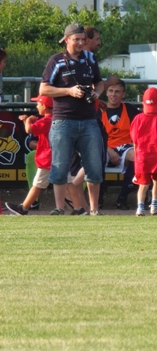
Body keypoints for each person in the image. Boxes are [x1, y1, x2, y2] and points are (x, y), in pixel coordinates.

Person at [40, 23, 105, 216]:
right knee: (60, 165)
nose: (80, 43)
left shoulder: (90, 58)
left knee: (94, 165)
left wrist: (96, 93)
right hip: (63, 120)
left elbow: (99, 83)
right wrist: (69, 91)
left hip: (88, 119)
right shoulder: (56, 60)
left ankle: (94, 209)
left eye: (83, 39)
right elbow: (44, 89)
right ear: (66, 40)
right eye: (76, 39)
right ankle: (59, 207)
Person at [5, 95, 53, 215]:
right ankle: (80, 207)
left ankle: (23, 208)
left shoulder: (47, 120)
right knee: (67, 183)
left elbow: (29, 130)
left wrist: (27, 121)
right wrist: (28, 120)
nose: (37, 106)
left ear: (44, 106)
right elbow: (36, 127)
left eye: (38, 104)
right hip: (54, 157)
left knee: (37, 184)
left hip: (48, 158)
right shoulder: (52, 119)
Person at [130, 87, 157, 217]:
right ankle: (154, 205)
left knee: (143, 184)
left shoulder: (137, 118)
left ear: (143, 103)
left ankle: (140, 207)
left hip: (142, 156)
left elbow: (135, 140)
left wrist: (136, 155)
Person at [100, 78, 140, 209]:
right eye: (111, 91)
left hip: (125, 147)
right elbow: (94, 136)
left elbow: (143, 125)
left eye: (117, 92)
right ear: (106, 92)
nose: (113, 94)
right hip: (104, 146)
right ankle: (98, 197)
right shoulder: (99, 110)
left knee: (137, 156)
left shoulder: (129, 109)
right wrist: (109, 150)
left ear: (123, 94)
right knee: (96, 157)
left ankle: (122, 198)